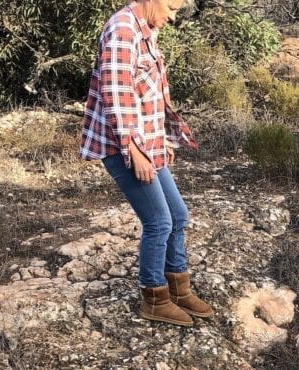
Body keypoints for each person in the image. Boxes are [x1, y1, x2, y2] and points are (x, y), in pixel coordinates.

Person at [80, 0, 214, 327]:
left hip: (144, 141)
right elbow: (117, 93)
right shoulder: (122, 29)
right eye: (170, 7)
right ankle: (154, 297)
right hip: (122, 145)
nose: (172, 16)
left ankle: (178, 290)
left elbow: (149, 94)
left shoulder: (145, 30)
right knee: (159, 222)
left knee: (178, 215)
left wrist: (162, 139)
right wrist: (135, 150)